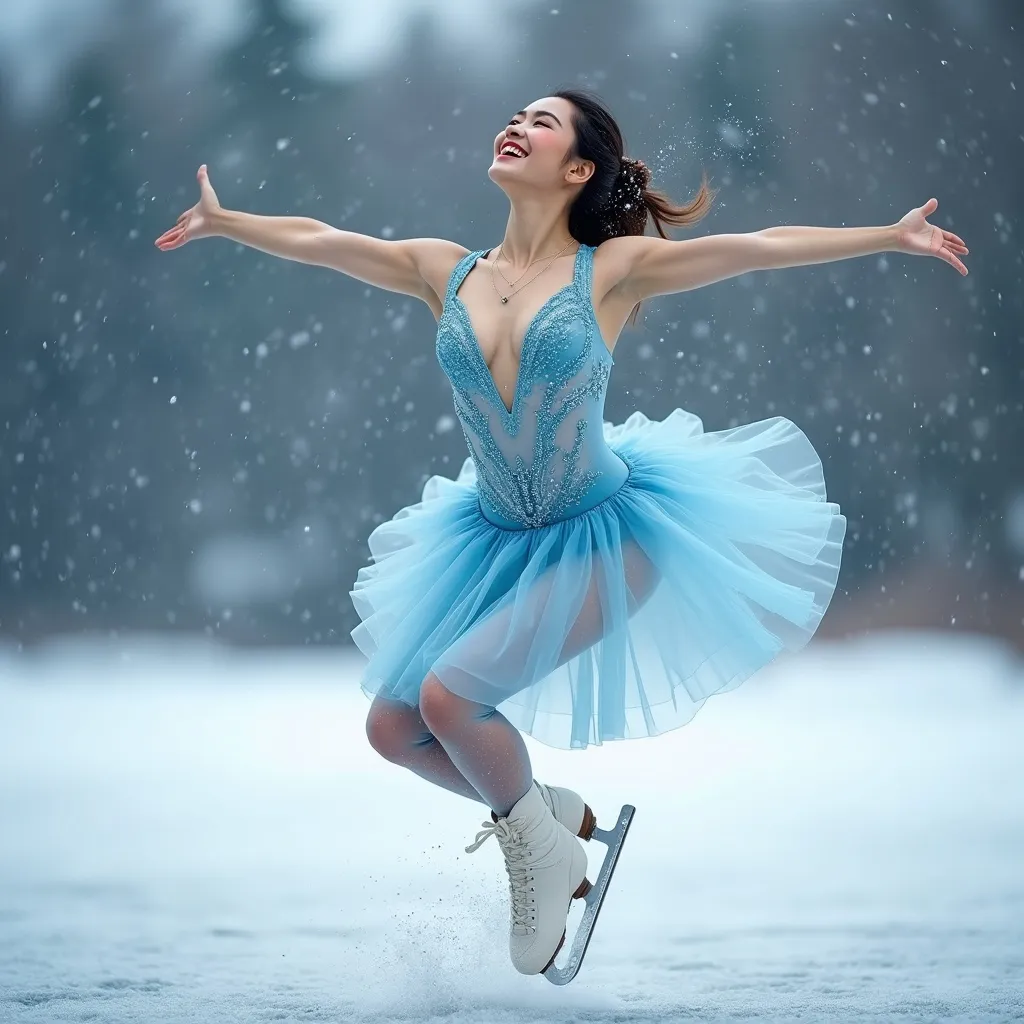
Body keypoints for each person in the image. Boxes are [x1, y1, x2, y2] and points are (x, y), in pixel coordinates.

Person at [155, 88, 969, 977]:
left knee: (449, 699)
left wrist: (889, 236)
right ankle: (541, 813)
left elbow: (758, 250)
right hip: (493, 540)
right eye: (515, 115)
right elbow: (327, 242)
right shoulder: (444, 269)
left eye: (542, 122)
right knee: (395, 726)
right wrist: (229, 223)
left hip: (605, 534)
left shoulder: (610, 269)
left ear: (578, 169)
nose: (517, 124)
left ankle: (541, 852)